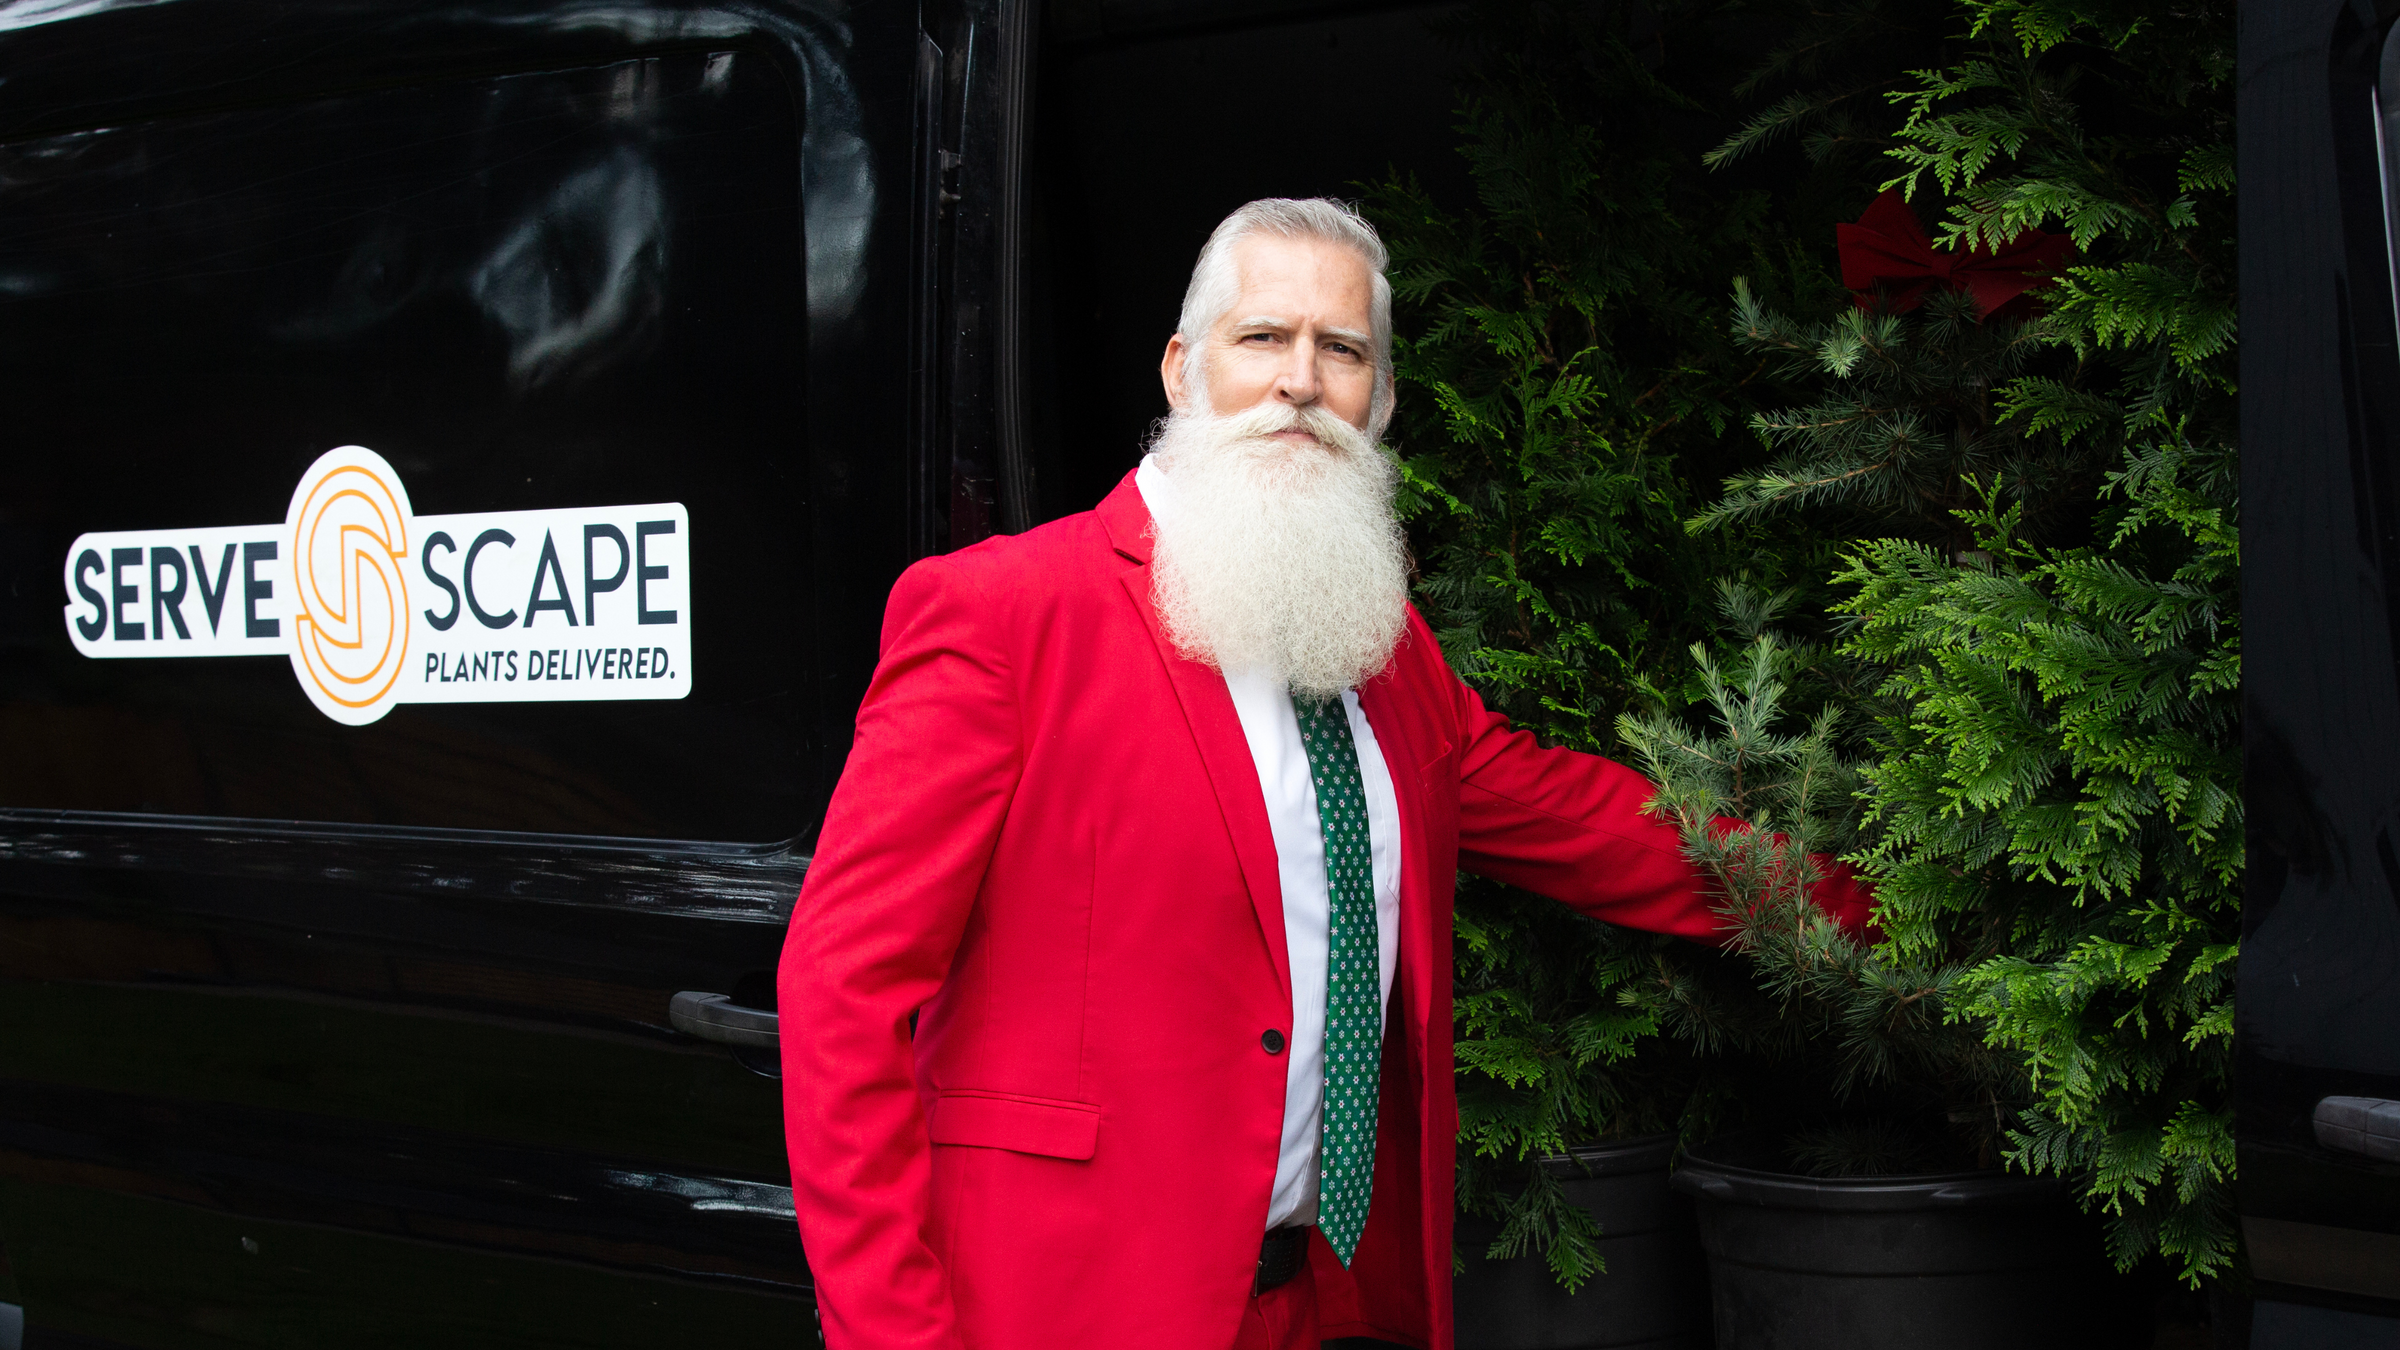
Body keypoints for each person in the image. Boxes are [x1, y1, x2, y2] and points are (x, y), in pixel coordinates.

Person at [778, 198, 1873, 1350]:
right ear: (1180, 369)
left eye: (1341, 350)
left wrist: (1864, 911)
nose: (1301, 379)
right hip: (1061, 1306)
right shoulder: (1004, 612)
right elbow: (842, 994)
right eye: (1263, 337)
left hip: (1315, 1305)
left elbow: (1582, 822)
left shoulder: (1383, 653)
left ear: (1380, 399)